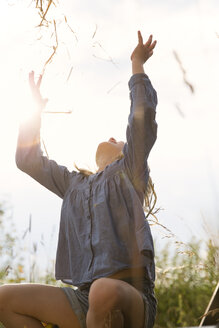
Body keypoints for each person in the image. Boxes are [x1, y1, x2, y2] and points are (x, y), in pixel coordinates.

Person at [0, 30, 158, 328]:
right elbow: (27, 160)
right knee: (3, 299)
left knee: (103, 290)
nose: (112, 137)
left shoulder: (129, 172)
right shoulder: (74, 185)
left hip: (131, 297)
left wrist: (137, 65)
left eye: (120, 140)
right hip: (86, 300)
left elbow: (142, 119)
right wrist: (33, 112)